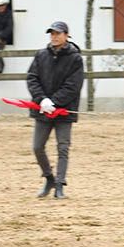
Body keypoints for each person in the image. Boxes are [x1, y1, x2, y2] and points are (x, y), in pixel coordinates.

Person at [27, 21, 83, 199]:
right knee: (37, 147)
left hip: (64, 112)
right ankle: (48, 177)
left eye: (58, 33)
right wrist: (42, 99)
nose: (54, 36)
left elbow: (73, 86)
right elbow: (32, 78)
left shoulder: (75, 58)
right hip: (42, 110)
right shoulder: (41, 55)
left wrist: (55, 102)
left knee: (63, 147)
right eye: (52, 33)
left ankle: (60, 184)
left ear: (66, 35)